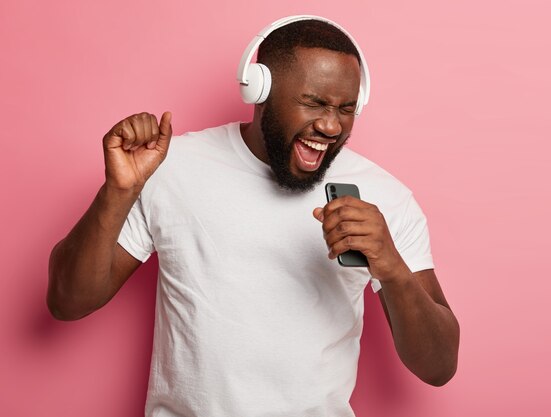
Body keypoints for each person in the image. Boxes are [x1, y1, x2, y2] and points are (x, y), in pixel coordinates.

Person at [47, 16, 459, 417]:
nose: (331, 125)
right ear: (259, 89)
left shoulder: (386, 196)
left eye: (346, 108)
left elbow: (439, 367)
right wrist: (118, 192)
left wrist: (394, 269)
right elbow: (68, 301)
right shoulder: (170, 167)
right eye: (313, 102)